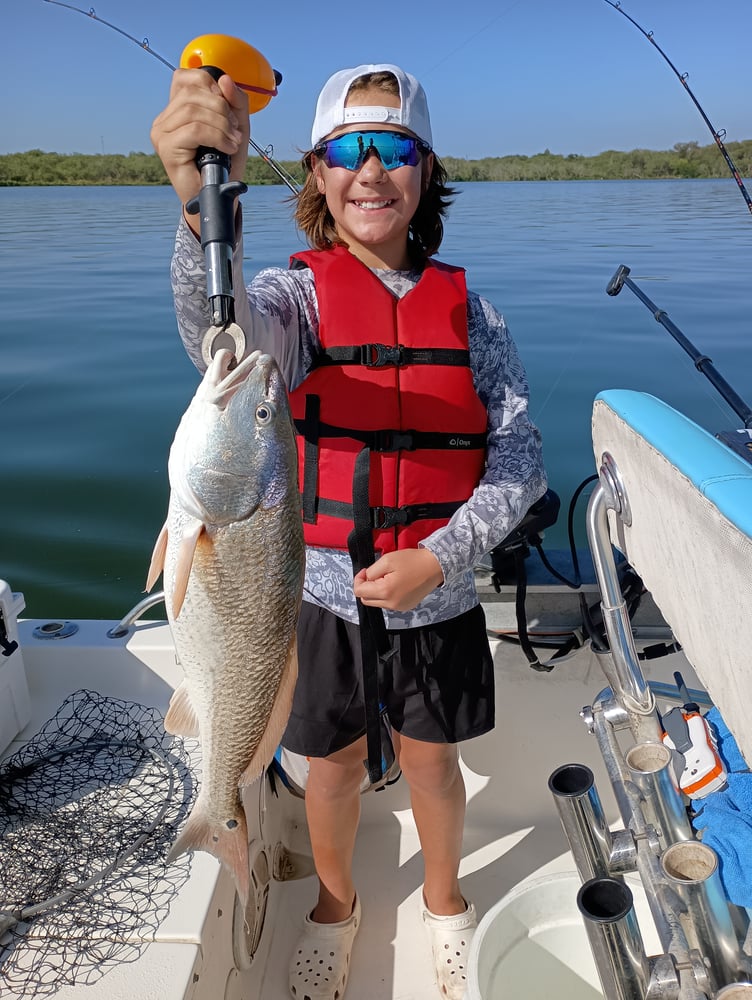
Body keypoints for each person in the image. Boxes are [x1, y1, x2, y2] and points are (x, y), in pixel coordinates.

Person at [151, 62, 547, 1000]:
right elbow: (224, 336)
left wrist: (442, 556)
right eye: (349, 152)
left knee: (433, 765)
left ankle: (444, 900)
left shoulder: (476, 316)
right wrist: (201, 213)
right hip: (313, 596)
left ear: (424, 171)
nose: (372, 171)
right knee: (322, 773)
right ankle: (336, 903)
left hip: (439, 595)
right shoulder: (299, 299)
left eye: (395, 149)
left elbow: (522, 462)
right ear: (320, 177)